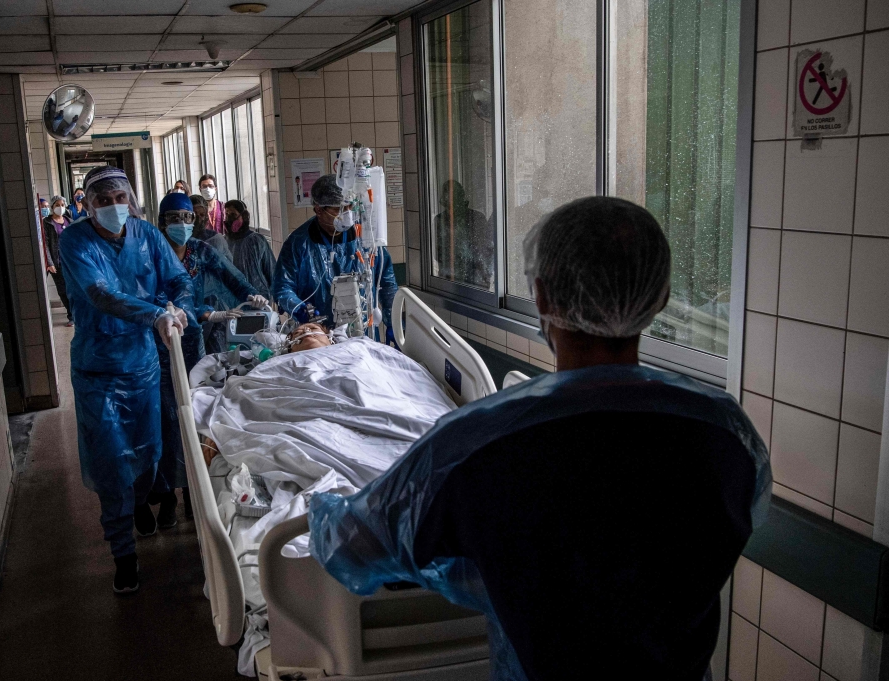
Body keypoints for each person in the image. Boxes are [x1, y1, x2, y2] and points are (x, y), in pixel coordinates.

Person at [308, 197, 772, 681]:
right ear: (659, 297)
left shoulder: (478, 447)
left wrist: (323, 503)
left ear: (543, 299)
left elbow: (351, 546)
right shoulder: (729, 438)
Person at [58, 166, 196, 594]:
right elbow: (99, 293)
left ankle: (139, 502)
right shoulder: (75, 240)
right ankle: (123, 555)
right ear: (88, 205)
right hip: (99, 370)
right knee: (112, 462)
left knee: (149, 453)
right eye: (103, 200)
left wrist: (182, 306)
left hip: (142, 366)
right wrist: (155, 313)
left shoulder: (147, 235)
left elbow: (178, 279)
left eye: (121, 198)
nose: (114, 207)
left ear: (131, 200)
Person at [152, 192, 265, 522]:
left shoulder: (201, 252)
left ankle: (192, 492)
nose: (182, 225)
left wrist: (250, 294)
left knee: (196, 414)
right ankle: (167, 495)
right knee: (166, 420)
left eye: (188, 219)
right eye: (174, 219)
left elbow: (231, 274)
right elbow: (156, 298)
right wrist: (204, 313)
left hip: (193, 344)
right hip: (159, 344)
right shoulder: (153, 256)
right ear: (162, 222)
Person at [272, 174, 397, 338]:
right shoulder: (299, 243)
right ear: (318, 209)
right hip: (319, 334)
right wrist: (300, 309)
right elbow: (282, 287)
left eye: (349, 207)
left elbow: (386, 282)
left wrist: (393, 321)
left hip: (363, 333)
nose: (346, 214)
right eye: (338, 209)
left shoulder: (366, 236)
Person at [433, 180, 494, 290]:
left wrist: (485, 276)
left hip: (476, 280)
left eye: (454, 197)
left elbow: (486, 251)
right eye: (449, 197)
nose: (452, 202)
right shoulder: (440, 220)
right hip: (450, 280)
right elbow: (439, 254)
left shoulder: (476, 218)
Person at [219, 199, 276, 298]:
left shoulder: (257, 241)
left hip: (259, 298)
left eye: (233, 214)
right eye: (227, 214)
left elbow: (271, 270)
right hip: (232, 299)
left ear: (244, 216)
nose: (229, 219)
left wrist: (278, 296)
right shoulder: (223, 242)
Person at [42, 195, 73, 326]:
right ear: (52, 207)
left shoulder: (69, 220)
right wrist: (50, 263)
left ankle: (78, 314)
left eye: (62, 205)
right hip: (57, 262)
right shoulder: (48, 223)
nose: (60, 207)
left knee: (74, 289)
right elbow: (46, 244)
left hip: (71, 261)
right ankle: (71, 315)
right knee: (63, 289)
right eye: (57, 205)